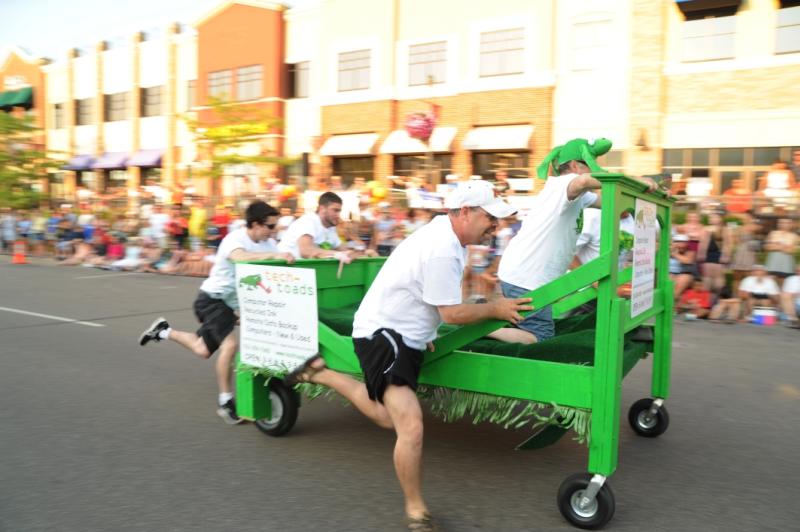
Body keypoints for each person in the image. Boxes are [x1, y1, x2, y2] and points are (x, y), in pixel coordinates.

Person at [284, 180, 530, 531]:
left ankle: (320, 371)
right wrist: (495, 309)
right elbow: (451, 314)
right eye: (490, 217)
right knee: (410, 426)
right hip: (383, 334)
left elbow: (431, 298)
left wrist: (427, 332)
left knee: (388, 418)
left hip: (407, 334)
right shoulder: (444, 246)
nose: (496, 225)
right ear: (464, 212)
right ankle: (417, 512)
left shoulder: (452, 236)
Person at [138, 201, 295, 424]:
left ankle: (163, 331)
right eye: (270, 226)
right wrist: (273, 257)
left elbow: (284, 259)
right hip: (211, 300)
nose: (273, 231)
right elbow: (240, 258)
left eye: (275, 227)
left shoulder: (267, 243)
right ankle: (225, 402)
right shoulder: (236, 239)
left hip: (229, 305)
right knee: (230, 346)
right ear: (256, 224)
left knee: (202, 349)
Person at [497, 138, 658, 344]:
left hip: (528, 276)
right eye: (588, 166)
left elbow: (613, 203)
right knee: (541, 336)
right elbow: (583, 181)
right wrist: (635, 180)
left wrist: (643, 193)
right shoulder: (563, 183)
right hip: (526, 278)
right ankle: (479, 329)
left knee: (533, 328)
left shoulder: (576, 195)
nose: (592, 172)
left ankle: (494, 320)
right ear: (574, 165)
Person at [277, 191, 359, 260]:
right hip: (285, 269)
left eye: (339, 211)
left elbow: (343, 250)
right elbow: (305, 251)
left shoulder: (330, 227)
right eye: (335, 210)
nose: (338, 215)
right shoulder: (308, 221)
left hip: (302, 270)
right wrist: (336, 254)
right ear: (322, 208)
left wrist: (359, 253)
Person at [697, 212, 733, 294]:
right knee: (707, 278)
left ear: (720, 219)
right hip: (707, 256)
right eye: (711, 218)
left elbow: (728, 244)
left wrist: (726, 256)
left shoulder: (725, 229)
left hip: (719, 256)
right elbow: (702, 243)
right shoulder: (705, 229)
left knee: (718, 279)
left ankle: (718, 297)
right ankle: (707, 299)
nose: (712, 219)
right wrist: (700, 255)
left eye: (715, 217)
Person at [670, 234, 698, 302]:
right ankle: (672, 301)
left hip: (685, 274)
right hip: (671, 273)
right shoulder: (667, 250)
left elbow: (687, 261)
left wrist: (674, 254)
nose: (680, 244)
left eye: (683, 242)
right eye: (677, 242)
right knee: (669, 279)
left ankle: (671, 301)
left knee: (684, 278)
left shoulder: (690, 251)